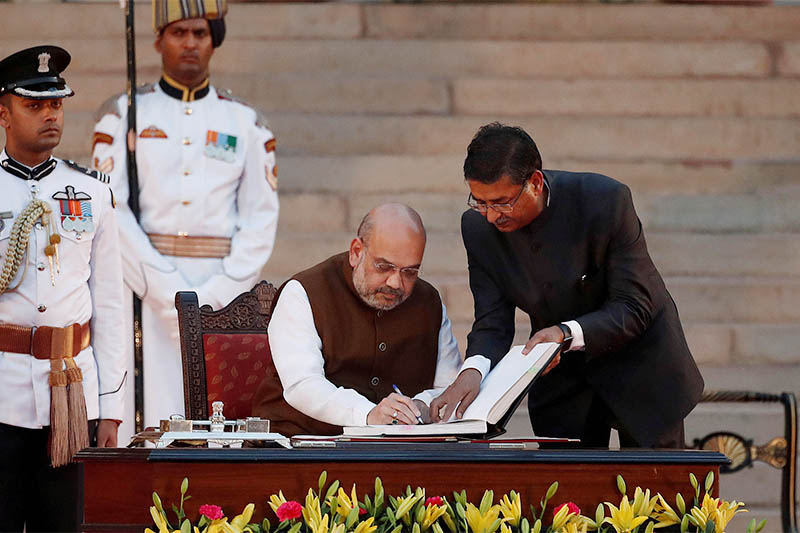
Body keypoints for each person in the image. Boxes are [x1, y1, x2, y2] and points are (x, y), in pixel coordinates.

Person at [431, 123, 704, 448]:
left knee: (654, 482)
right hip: (562, 385)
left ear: (535, 183)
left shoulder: (605, 201)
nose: (491, 216)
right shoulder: (478, 228)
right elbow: (492, 321)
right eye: (480, 202)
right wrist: (472, 371)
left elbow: (635, 305)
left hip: (642, 368)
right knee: (566, 481)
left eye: (502, 203)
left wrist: (565, 333)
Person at [91, 0, 279, 440]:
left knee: (214, 419)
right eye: (178, 32)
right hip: (142, 286)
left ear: (214, 41)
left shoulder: (246, 122)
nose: (190, 43)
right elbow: (111, 206)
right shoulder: (122, 114)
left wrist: (220, 294)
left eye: (200, 33)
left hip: (221, 287)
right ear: (158, 40)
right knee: (144, 414)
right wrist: (161, 286)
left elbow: (260, 217)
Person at [0, 45, 126, 531]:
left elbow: (110, 307)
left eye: (56, 104)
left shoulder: (93, 191)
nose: (50, 115)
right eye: (34, 105)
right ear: (4, 114)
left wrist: (113, 410)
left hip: (73, 396)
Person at [252, 204, 487, 436]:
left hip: (398, 450)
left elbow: (447, 386)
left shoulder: (428, 302)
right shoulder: (304, 292)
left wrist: (421, 407)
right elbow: (302, 385)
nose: (395, 283)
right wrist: (368, 414)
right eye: (384, 267)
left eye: (410, 272)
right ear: (356, 252)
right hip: (299, 444)